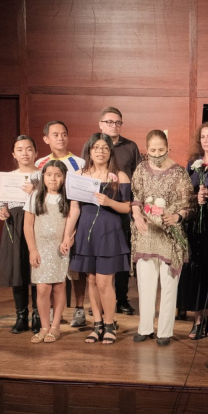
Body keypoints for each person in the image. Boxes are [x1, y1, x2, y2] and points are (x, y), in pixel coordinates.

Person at [62, 133, 132, 345]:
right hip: (86, 230)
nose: (100, 151)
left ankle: (110, 324)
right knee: (91, 279)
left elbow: (127, 207)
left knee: (104, 281)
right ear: (89, 151)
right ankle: (97, 324)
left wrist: (109, 202)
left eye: (105, 148)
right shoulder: (79, 175)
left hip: (109, 230)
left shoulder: (119, 175)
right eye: (96, 148)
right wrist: (67, 235)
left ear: (110, 152)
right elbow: (74, 209)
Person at [130, 130, 193, 346]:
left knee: (168, 285)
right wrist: (137, 213)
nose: (157, 154)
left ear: (168, 148)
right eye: (153, 150)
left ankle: (165, 332)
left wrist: (176, 216)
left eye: (161, 150)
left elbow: (187, 204)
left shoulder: (179, 173)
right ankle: (145, 328)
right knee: (146, 283)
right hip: (146, 233)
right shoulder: (141, 169)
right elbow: (136, 196)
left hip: (169, 235)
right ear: (146, 150)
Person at [82, 107, 142, 317]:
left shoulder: (130, 146)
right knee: (93, 272)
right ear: (100, 124)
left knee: (120, 257)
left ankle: (122, 299)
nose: (113, 126)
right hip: (91, 218)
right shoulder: (92, 147)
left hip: (119, 212)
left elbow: (139, 176)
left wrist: (135, 208)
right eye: (109, 122)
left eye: (117, 122)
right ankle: (98, 309)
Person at [35, 120, 88, 328]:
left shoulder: (79, 163)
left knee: (74, 269)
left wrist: (72, 230)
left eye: (64, 134)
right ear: (46, 138)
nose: (60, 138)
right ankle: (49, 313)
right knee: (48, 270)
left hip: (72, 220)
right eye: (55, 134)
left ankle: (79, 308)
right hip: (46, 224)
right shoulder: (39, 164)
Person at [179, 122, 208, 340]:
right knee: (198, 271)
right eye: (203, 137)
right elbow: (186, 192)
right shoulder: (193, 164)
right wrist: (196, 197)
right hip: (197, 222)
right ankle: (198, 319)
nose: (206, 140)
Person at [0, 135, 41, 334]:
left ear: (36, 152)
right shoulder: (8, 177)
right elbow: (2, 205)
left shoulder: (43, 175)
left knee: (36, 270)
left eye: (29, 149)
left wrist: (37, 191)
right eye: (20, 149)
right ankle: (21, 316)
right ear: (13, 154)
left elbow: (54, 200)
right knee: (18, 270)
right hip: (15, 223)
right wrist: (2, 212)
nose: (25, 153)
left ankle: (38, 315)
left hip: (38, 223)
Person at [24, 160, 71, 343]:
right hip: (41, 249)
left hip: (59, 250)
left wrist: (68, 241)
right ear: (43, 176)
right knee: (43, 288)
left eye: (58, 175)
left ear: (64, 178)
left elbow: (71, 224)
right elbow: (28, 225)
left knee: (59, 287)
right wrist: (32, 249)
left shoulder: (67, 199)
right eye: (49, 174)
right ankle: (44, 326)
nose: (53, 179)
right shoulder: (35, 197)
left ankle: (55, 326)